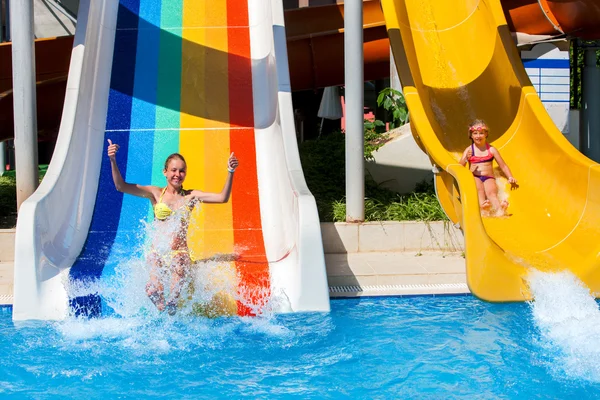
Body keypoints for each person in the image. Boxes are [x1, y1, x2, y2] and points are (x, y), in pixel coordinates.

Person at [107, 139, 239, 315]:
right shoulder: (155, 193)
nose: (178, 174)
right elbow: (120, 186)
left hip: (180, 253)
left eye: (182, 171)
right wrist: (113, 160)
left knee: (179, 261)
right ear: (165, 172)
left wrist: (230, 171)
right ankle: (158, 298)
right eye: (174, 170)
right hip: (159, 251)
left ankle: (172, 302)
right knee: (154, 261)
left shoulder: (191, 196)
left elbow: (222, 197)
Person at [459, 120, 517, 215]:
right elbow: (460, 166)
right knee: (479, 190)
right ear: (471, 135)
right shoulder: (469, 150)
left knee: (492, 193)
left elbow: (503, 165)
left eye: (481, 133)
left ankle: (500, 210)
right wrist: (466, 158)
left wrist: (510, 177)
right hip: (475, 176)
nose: (478, 136)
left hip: (489, 177)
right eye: (475, 133)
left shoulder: (491, 150)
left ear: (486, 134)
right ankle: (483, 207)